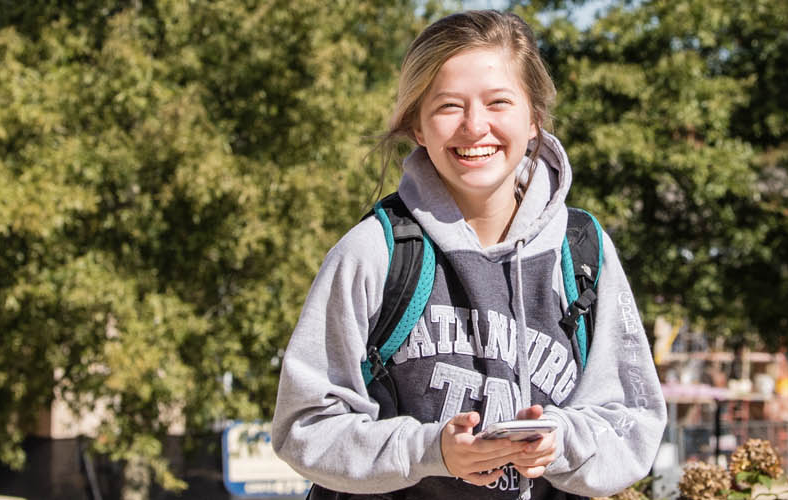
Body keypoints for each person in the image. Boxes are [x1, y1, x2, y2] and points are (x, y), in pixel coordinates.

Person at [271, 10, 666, 500]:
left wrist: (560, 443)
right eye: (448, 107)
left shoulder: (583, 249)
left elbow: (632, 421)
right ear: (417, 125)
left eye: (498, 102)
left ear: (533, 117)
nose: (474, 126)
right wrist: (430, 450)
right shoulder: (375, 251)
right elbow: (304, 427)